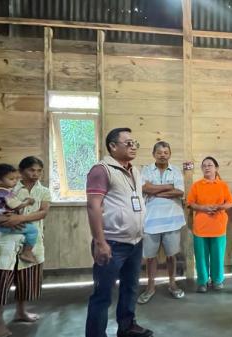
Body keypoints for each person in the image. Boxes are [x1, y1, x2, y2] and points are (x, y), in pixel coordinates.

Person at [85, 128, 153, 337]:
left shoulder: (134, 170)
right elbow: (93, 206)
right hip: (112, 243)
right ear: (113, 146)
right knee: (103, 294)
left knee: (130, 288)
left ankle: (127, 326)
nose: (133, 147)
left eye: (135, 143)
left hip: (134, 242)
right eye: (128, 143)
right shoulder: (101, 169)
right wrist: (100, 242)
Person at [0, 156, 51, 337]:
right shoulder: (6, 187)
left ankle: (21, 312)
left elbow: (43, 212)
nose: (35, 174)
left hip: (31, 242)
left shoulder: (44, 191)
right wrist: (1, 219)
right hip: (3, 242)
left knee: (26, 281)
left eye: (39, 170)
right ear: (20, 171)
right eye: (31, 170)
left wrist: (20, 218)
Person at [137, 141, 186, 304]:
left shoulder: (176, 170)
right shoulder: (145, 170)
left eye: (166, 152)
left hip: (172, 221)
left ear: (169, 154)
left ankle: (172, 284)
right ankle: (150, 287)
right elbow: (145, 189)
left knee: (172, 255)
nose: (162, 154)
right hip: (150, 221)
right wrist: (167, 187)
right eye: (159, 152)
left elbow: (179, 192)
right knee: (150, 257)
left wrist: (155, 190)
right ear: (154, 154)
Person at [186, 156, 232, 293]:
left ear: (216, 168)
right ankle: (202, 281)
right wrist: (203, 208)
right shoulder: (196, 185)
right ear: (201, 169)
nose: (207, 167)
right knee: (200, 255)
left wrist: (219, 207)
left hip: (218, 226)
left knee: (218, 255)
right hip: (200, 227)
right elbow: (190, 203)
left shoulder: (223, 185)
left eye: (210, 165)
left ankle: (217, 280)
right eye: (204, 166)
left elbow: (230, 202)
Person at [0, 163, 38, 263]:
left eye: (16, 178)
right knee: (33, 230)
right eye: (12, 179)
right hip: (6, 224)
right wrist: (28, 202)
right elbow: (16, 205)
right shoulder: (6, 193)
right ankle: (27, 252)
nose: (15, 181)